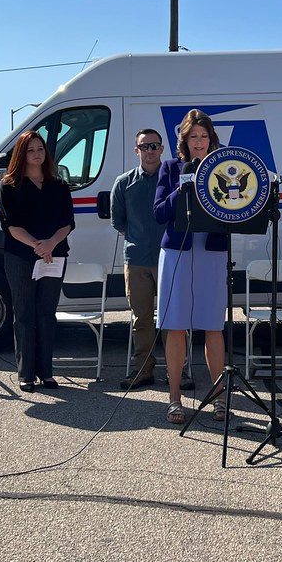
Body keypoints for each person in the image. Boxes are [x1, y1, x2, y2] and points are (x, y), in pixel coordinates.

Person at [153, 110, 227, 424]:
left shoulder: (223, 167)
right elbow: (158, 212)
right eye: (193, 136)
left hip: (211, 253)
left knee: (213, 324)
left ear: (211, 139)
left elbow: (234, 206)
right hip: (178, 252)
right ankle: (174, 398)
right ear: (184, 140)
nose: (199, 142)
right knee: (177, 324)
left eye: (204, 136)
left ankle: (219, 398)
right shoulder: (171, 168)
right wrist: (183, 186)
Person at [0, 130, 75, 392]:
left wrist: (51, 243)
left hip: (54, 255)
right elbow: (11, 226)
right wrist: (38, 246)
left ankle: (47, 373)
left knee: (46, 313)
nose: (37, 154)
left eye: (40, 149)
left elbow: (68, 222)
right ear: (21, 154)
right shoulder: (9, 186)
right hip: (21, 257)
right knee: (24, 314)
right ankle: (26, 374)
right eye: (31, 150)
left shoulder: (58, 184)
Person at [110, 128, 165, 390]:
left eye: (154, 146)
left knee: (175, 318)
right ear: (137, 151)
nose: (150, 151)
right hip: (137, 259)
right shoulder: (124, 183)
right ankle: (143, 369)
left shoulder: (174, 179)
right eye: (145, 147)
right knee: (141, 318)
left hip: (170, 258)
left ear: (162, 149)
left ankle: (182, 370)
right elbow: (118, 222)